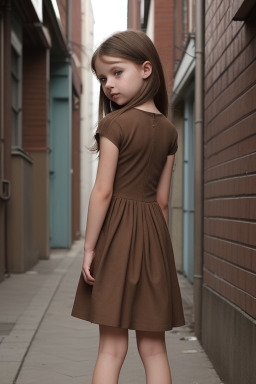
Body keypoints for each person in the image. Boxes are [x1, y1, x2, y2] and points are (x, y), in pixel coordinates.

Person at [71, 30, 185, 384]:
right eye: (102, 77)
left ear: (146, 69)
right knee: (154, 350)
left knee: (111, 348)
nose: (108, 84)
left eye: (116, 73)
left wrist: (90, 247)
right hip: (154, 240)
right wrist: (156, 249)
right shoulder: (169, 131)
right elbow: (163, 201)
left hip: (117, 241)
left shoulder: (114, 125)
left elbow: (103, 191)